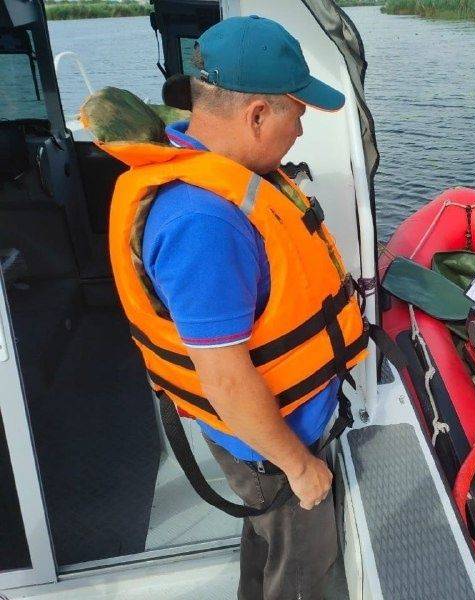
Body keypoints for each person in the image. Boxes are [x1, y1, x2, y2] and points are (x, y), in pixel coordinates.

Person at [103, 16, 369, 600]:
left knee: (268, 542)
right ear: (256, 115)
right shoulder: (203, 221)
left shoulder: (229, 174)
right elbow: (223, 379)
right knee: (303, 572)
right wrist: (300, 468)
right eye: (297, 114)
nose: (299, 131)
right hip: (272, 449)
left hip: (269, 440)